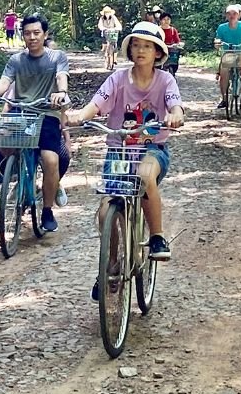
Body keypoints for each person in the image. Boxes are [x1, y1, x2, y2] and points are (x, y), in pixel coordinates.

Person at [66, 21, 185, 286]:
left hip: (152, 149)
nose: (141, 50)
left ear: (158, 52)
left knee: (145, 175)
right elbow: (97, 103)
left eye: (147, 46)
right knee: (106, 212)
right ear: (129, 50)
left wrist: (175, 115)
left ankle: (157, 237)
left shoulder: (165, 80)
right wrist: (79, 116)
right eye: (136, 45)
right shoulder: (118, 79)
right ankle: (111, 263)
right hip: (120, 150)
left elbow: (174, 104)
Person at [0, 14, 70, 231]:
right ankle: (18, 175)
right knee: (2, 144)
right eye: (28, 33)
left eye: (36, 33)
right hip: (20, 114)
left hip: (46, 115)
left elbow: (62, 77)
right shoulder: (16, 60)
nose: (32, 37)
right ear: (23, 35)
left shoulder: (57, 57)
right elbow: (5, 82)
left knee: (50, 160)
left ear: (45, 34)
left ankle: (47, 210)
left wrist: (61, 92)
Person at [214, 3, 241, 108]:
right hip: (228, 53)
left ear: (238, 15)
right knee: (223, 73)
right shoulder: (221, 27)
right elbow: (217, 39)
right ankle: (224, 99)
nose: (232, 16)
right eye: (229, 13)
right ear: (226, 15)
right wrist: (217, 43)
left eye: (234, 13)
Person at [98, 6, 122, 71]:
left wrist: (116, 28)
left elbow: (119, 25)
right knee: (105, 47)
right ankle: (106, 58)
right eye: (106, 13)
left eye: (108, 12)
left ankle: (114, 59)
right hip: (105, 33)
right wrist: (103, 28)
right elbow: (100, 25)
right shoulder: (102, 18)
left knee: (115, 45)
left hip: (112, 34)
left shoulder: (113, 18)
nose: (107, 14)